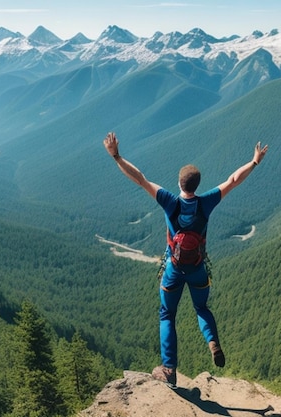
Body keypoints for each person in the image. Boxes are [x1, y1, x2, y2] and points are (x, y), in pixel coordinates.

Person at [103, 131, 268, 387]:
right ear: (197, 185)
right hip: (198, 268)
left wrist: (116, 156)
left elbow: (140, 180)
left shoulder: (170, 202)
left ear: (179, 184)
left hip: (174, 269)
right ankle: (212, 341)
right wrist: (255, 161)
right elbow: (234, 180)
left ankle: (169, 370)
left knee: (167, 313)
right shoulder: (207, 202)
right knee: (201, 308)